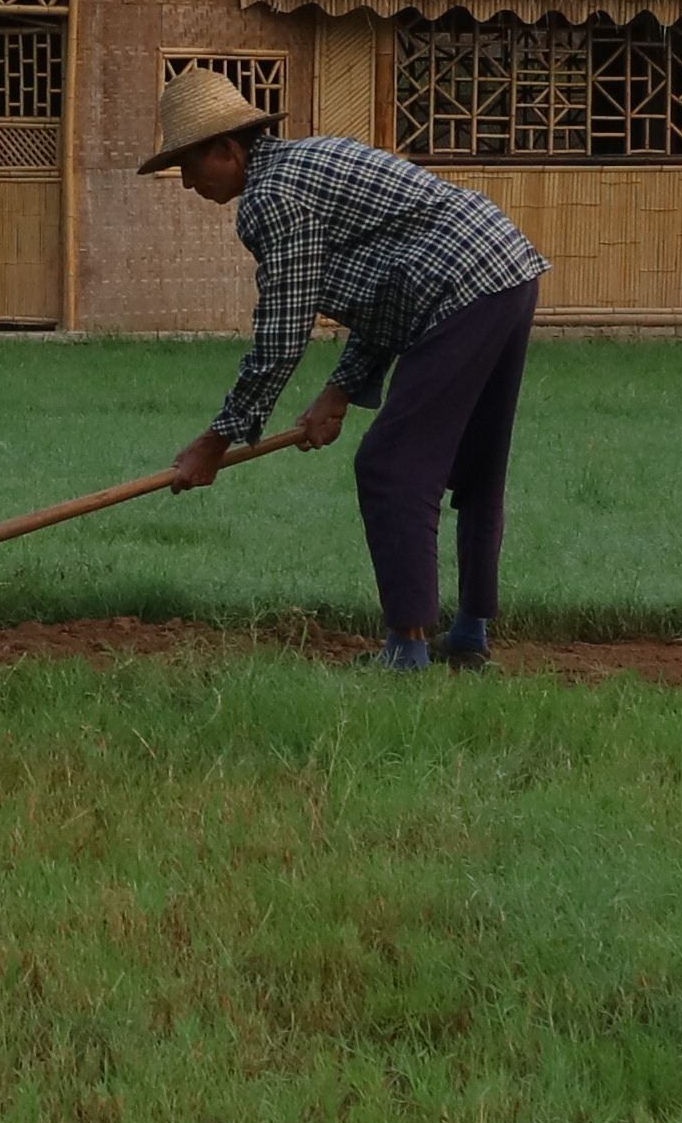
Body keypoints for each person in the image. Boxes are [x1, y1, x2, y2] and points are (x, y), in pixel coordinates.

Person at [146, 71, 542, 672]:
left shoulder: (270, 198)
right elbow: (387, 294)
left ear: (229, 150)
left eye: (189, 165)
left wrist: (215, 441)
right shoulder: (307, 159)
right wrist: (337, 392)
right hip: (505, 271)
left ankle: (407, 650)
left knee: (391, 464)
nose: (186, 181)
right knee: (477, 461)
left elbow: (282, 333)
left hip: (461, 289)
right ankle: (467, 636)